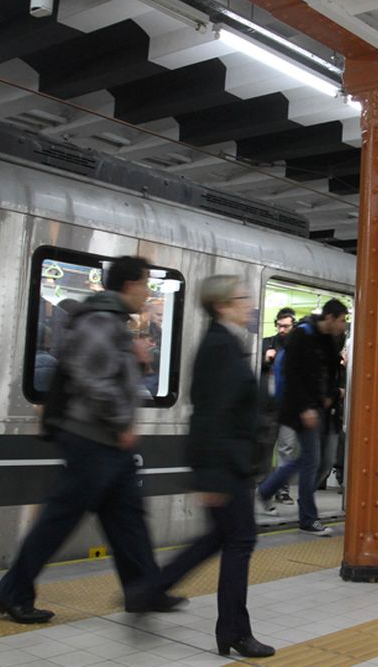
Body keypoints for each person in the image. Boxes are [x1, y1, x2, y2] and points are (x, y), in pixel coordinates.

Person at [0, 256, 180, 623]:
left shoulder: (113, 322)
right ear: (128, 286)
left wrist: (135, 362)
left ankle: (143, 589)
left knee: (128, 518)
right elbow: (92, 379)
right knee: (59, 519)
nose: (148, 292)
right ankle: (11, 592)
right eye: (145, 284)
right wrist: (120, 421)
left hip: (105, 440)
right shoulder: (100, 320)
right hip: (92, 438)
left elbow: (106, 371)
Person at [129, 276, 274, 659]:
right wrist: (211, 474)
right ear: (223, 305)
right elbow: (211, 416)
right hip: (226, 465)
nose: (249, 304)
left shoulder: (225, 342)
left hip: (227, 463)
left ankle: (150, 589)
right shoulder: (220, 347)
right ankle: (234, 631)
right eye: (242, 298)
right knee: (240, 541)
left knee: (218, 539)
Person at [257, 299, 349, 536]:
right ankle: (307, 518)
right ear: (329, 318)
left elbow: (328, 373)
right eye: (341, 320)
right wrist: (306, 408)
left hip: (319, 409)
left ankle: (267, 489)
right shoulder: (303, 335)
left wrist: (331, 394)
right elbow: (293, 374)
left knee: (314, 459)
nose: (344, 325)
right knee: (310, 460)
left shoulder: (327, 339)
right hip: (299, 409)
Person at [257, 308, 297, 508]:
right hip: (268, 406)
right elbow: (254, 368)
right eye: (279, 325)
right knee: (265, 447)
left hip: (288, 408)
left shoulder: (298, 348)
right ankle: (264, 487)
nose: (282, 329)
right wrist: (265, 359)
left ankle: (282, 490)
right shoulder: (265, 344)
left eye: (286, 326)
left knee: (286, 449)